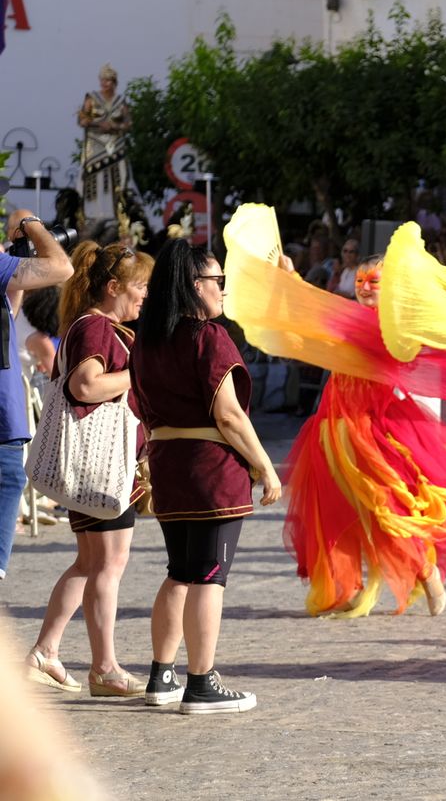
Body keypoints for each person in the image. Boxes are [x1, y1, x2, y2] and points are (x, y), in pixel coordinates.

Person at [282, 254, 446, 617]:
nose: (365, 287)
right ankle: (349, 586)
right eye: (360, 281)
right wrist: (291, 279)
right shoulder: (351, 319)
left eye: (374, 281)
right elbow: (315, 315)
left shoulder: (393, 325)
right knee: (336, 511)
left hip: (373, 429)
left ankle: (425, 571)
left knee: (385, 507)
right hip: (333, 426)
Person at [134, 240, 281, 714]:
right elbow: (230, 415)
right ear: (194, 286)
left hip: (168, 462)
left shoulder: (148, 340)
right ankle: (201, 680)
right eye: (217, 281)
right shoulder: (207, 336)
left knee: (180, 571)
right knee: (210, 576)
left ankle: (162, 675)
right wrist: (264, 464)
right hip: (210, 467)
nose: (222, 289)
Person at [23, 242, 152, 696]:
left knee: (93, 562)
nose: (145, 296)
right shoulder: (98, 328)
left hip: (96, 466)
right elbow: (86, 384)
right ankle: (104, 667)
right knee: (107, 564)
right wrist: (140, 375)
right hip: (101, 464)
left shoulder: (94, 326)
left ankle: (48, 652)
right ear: (113, 287)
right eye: (140, 287)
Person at [0, 215, 74, 579]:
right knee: (10, 480)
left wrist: (15, 260)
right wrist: (30, 224)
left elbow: (7, 315)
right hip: (3, 424)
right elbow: (62, 267)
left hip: (7, 419)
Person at [76, 64, 132, 222]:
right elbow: (82, 120)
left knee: (118, 176)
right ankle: (93, 213)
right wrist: (98, 123)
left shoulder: (120, 101)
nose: (104, 83)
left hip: (115, 144)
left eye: (107, 80)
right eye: (102, 80)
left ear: (114, 82)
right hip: (95, 145)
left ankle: (117, 211)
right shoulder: (92, 98)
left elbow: (128, 123)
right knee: (95, 177)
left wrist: (115, 126)